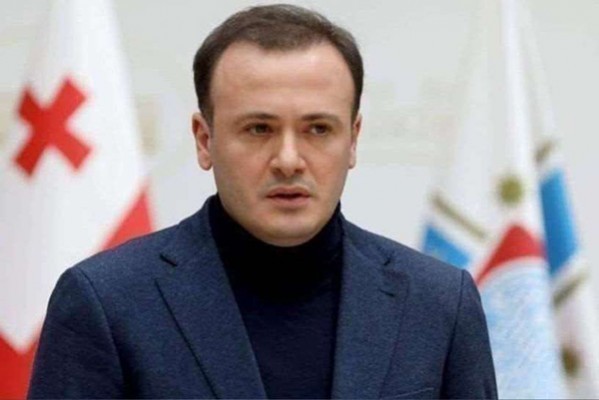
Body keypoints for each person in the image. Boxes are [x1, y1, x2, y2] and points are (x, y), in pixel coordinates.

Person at [29, 4, 497, 399]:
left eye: (318, 129)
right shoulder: (105, 302)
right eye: (258, 129)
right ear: (204, 139)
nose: (288, 160)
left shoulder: (439, 303)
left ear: (353, 140)